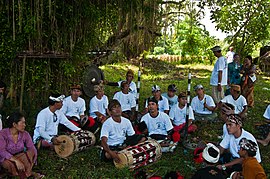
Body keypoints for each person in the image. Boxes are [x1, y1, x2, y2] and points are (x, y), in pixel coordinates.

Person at [0, 112, 43, 178]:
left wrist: (32, 161)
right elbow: (2, 151)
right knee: (7, 164)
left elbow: (31, 148)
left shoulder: (25, 134)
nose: (24, 125)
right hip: (8, 159)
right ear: (14, 124)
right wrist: (16, 161)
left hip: (21, 157)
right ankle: (28, 174)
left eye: (24, 123)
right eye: (22, 123)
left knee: (31, 153)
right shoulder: (3, 134)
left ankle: (25, 172)